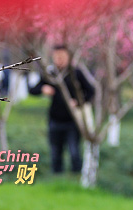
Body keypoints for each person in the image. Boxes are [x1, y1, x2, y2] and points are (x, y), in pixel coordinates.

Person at [29, 45, 95, 174]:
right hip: (55, 119)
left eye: (62, 56)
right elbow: (32, 90)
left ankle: (76, 177)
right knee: (55, 152)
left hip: (73, 120)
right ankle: (57, 178)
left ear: (68, 57)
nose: (59, 59)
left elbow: (91, 91)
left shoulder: (76, 73)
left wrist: (78, 102)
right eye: (57, 56)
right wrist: (43, 89)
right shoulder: (50, 73)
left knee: (74, 152)